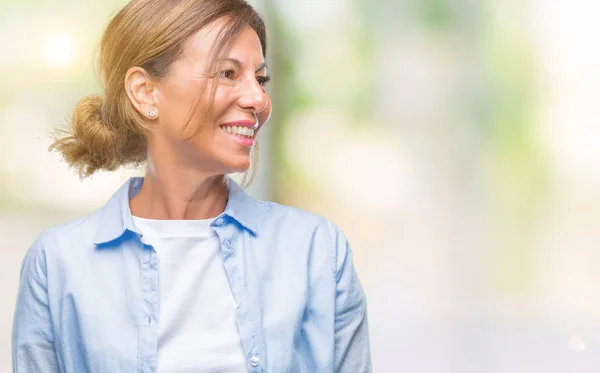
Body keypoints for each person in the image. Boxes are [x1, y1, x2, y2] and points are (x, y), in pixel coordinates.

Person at [11, 0, 371, 372]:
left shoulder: (316, 252)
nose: (258, 99)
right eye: (227, 74)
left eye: (260, 79)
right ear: (145, 91)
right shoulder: (57, 264)